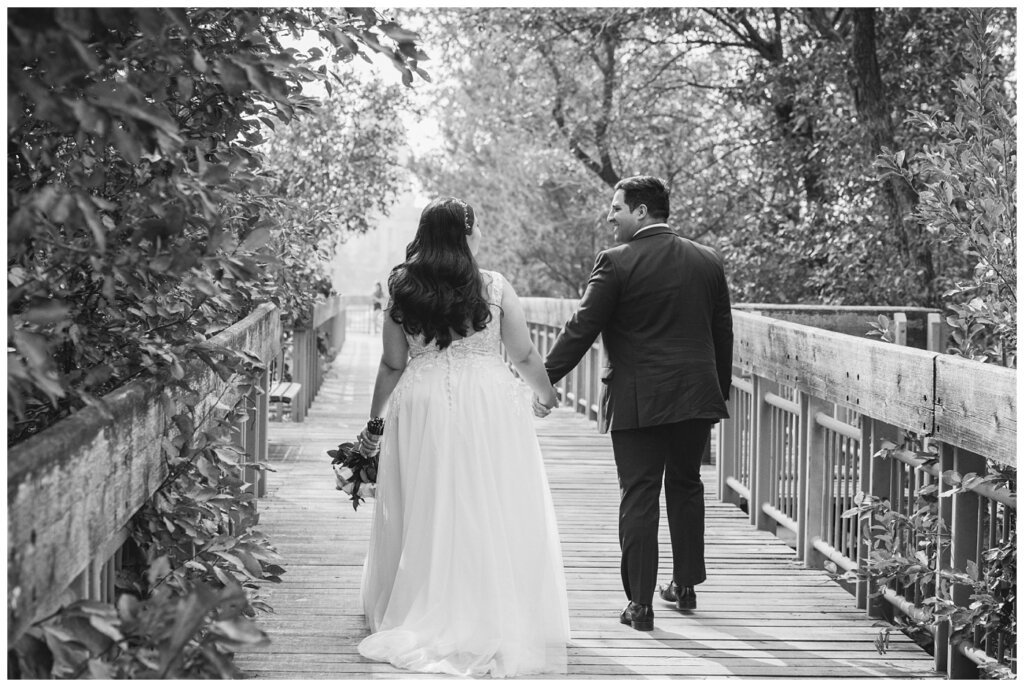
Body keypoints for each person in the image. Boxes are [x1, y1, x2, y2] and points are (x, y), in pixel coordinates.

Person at [356, 197, 570, 677]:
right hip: (488, 402)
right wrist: (546, 396)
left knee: (427, 499)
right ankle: (489, 606)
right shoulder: (492, 286)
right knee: (488, 497)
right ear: (467, 233)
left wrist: (374, 423)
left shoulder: (403, 288)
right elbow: (524, 354)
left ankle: (419, 602)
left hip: (422, 400)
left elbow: (393, 363)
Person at [540, 175, 733, 632]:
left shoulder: (616, 262)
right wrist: (716, 392)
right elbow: (722, 333)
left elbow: (580, 328)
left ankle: (640, 606)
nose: (611, 217)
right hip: (694, 396)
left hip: (637, 398)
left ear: (641, 211)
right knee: (686, 486)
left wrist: (542, 380)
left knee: (640, 494)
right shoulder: (708, 261)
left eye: (617, 208)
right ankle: (685, 586)